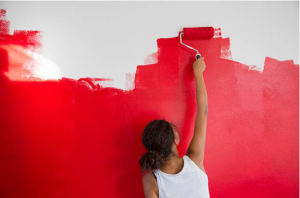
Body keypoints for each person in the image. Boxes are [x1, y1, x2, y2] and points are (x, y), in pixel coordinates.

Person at [139, 56, 209, 198]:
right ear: (175, 140)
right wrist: (198, 73)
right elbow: (203, 110)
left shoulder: (151, 181)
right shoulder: (194, 159)